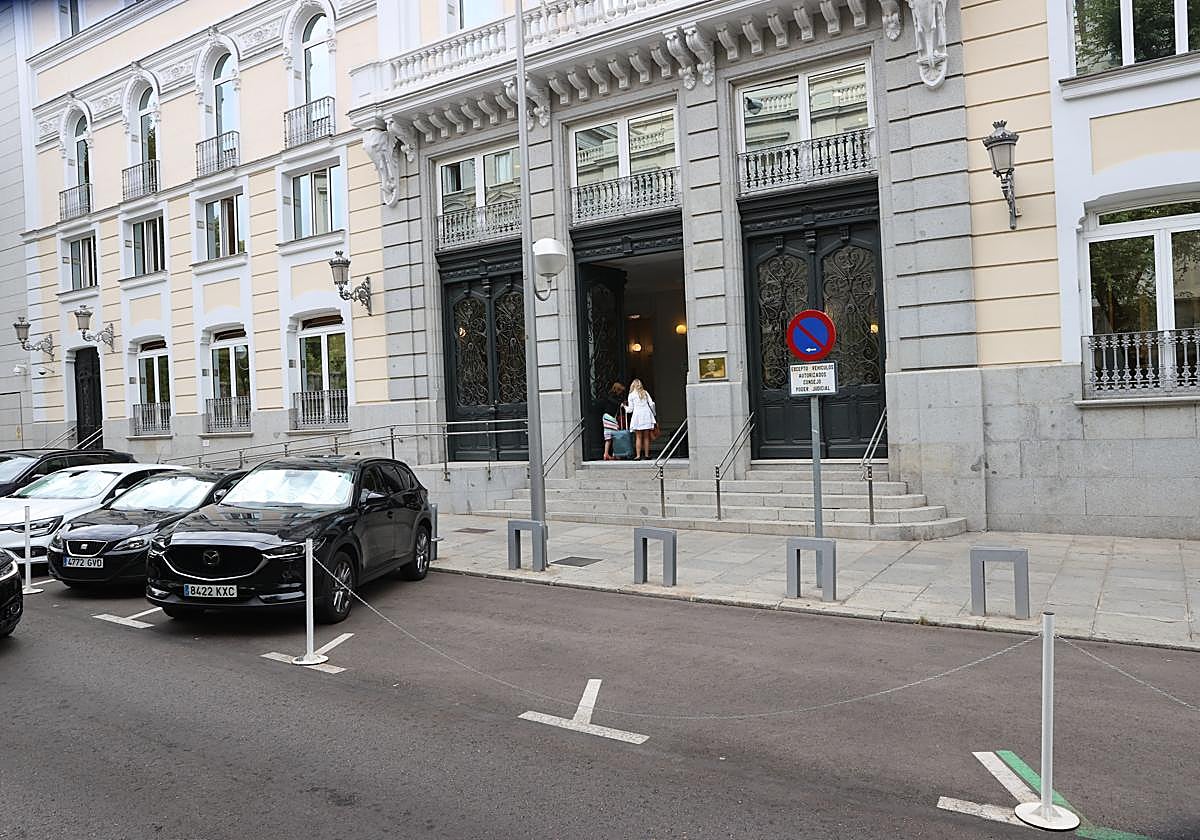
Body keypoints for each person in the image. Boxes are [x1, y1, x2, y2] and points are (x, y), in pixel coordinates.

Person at [625, 379, 656, 460]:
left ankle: (638, 456)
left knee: (638, 437)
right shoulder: (645, 392)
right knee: (646, 437)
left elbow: (630, 410)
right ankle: (646, 455)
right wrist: (654, 414)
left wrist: (624, 406)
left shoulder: (631, 395)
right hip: (646, 415)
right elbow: (652, 404)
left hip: (637, 416)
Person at [600, 382, 627, 461]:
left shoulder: (610, 396)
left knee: (609, 436)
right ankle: (615, 454)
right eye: (620, 391)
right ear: (617, 390)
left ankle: (606, 454)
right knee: (616, 435)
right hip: (609, 417)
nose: (621, 393)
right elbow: (616, 403)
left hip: (607, 417)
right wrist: (622, 403)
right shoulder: (612, 397)